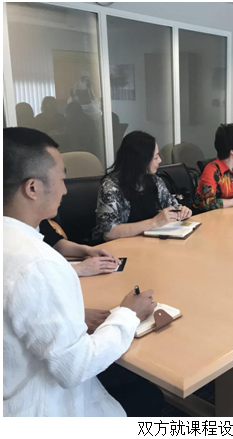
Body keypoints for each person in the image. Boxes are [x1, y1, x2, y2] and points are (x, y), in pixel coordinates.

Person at [3, 127, 158, 416]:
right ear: (32, 188)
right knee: (150, 398)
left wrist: (71, 315)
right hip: (41, 410)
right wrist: (129, 314)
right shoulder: (38, 263)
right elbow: (75, 367)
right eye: (62, 179)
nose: (65, 190)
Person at [93, 131, 192, 241]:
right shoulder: (111, 187)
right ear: (141, 160)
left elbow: (171, 206)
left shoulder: (154, 180)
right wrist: (154, 222)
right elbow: (109, 232)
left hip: (148, 242)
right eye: (155, 157)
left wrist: (181, 211)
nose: (160, 160)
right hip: (119, 246)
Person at [40, 220, 120, 277]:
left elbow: (55, 243)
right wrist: (79, 269)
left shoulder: (39, 221)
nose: (64, 195)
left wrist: (88, 250)